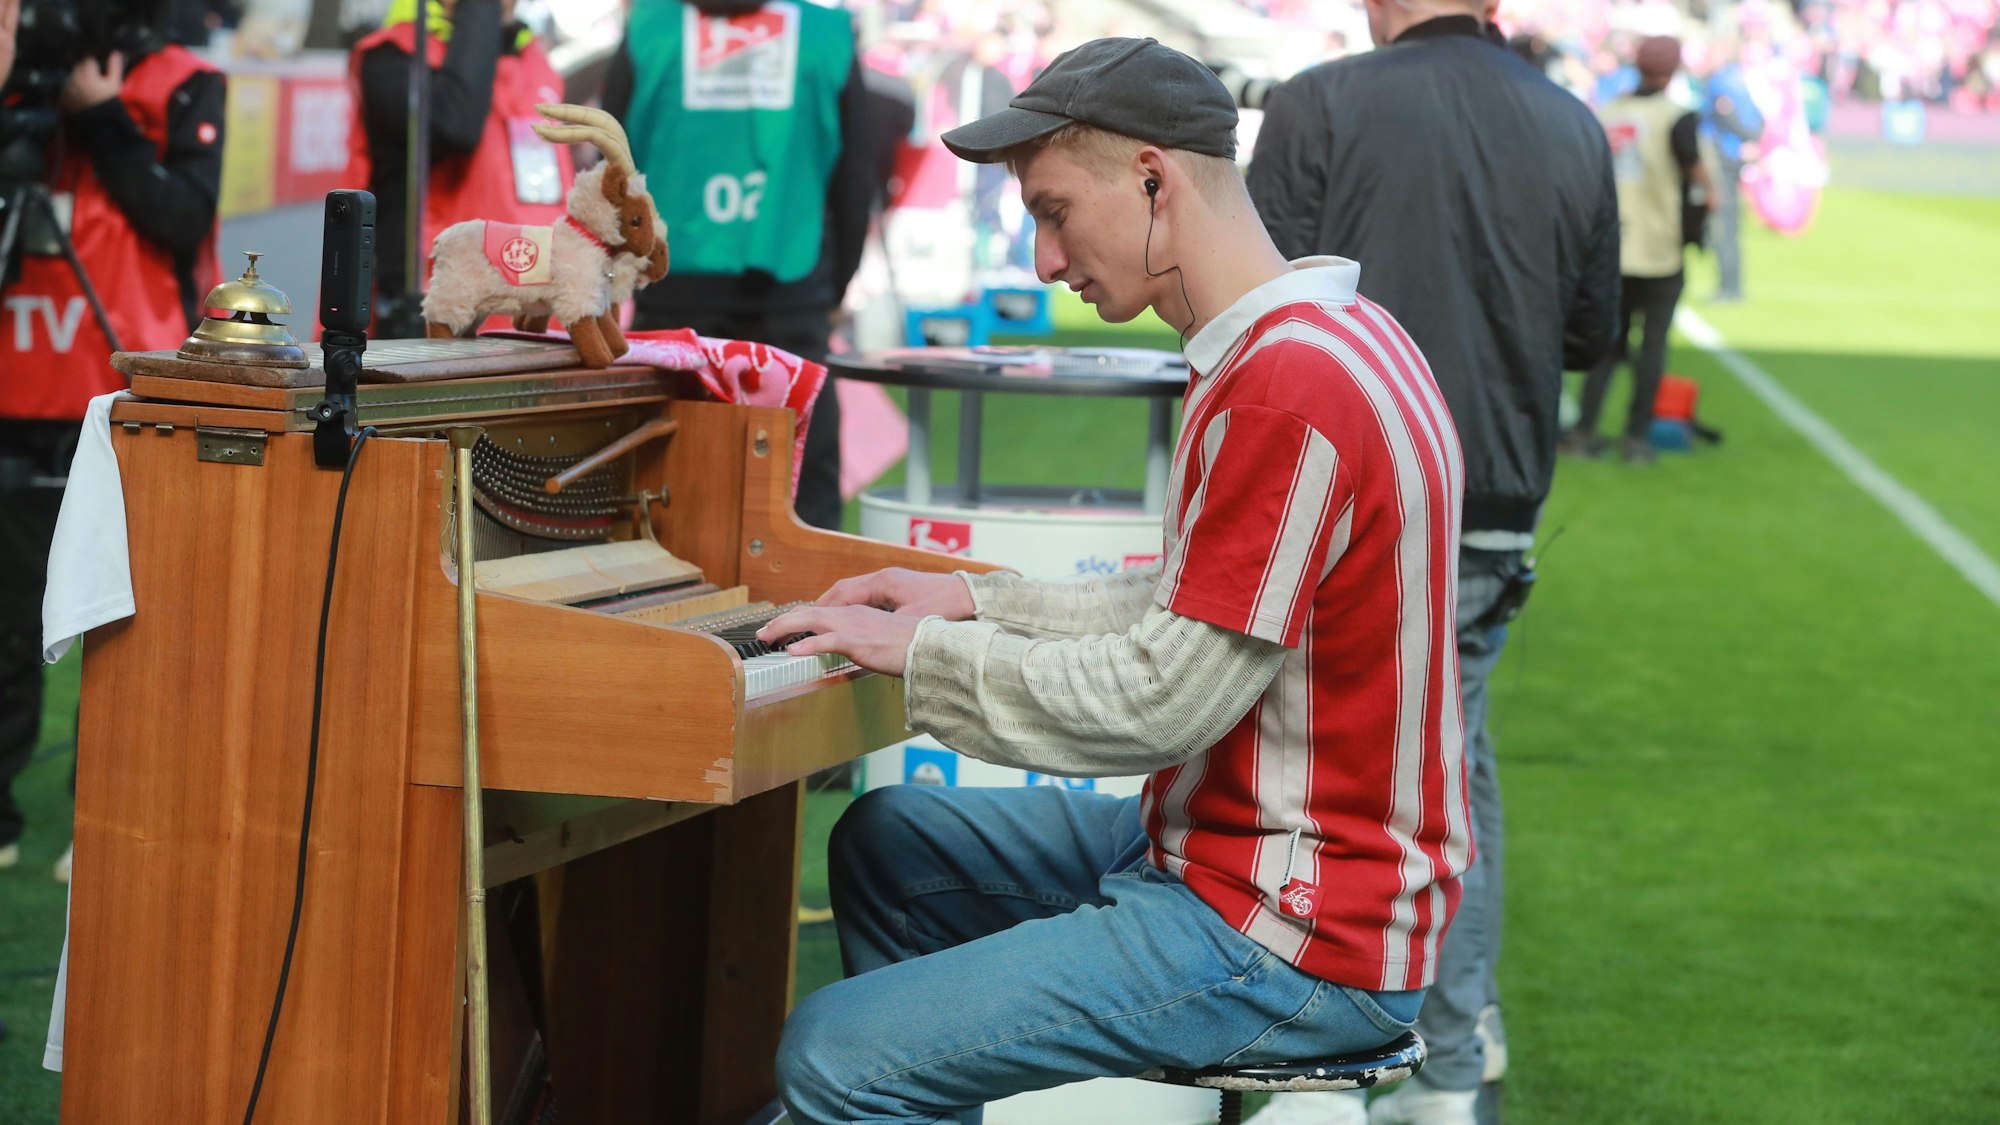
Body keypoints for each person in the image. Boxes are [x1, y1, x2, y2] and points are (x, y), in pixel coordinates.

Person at [750, 37, 1468, 1124]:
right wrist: (974, 600)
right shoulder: (1336, 333)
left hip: (1292, 927)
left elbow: (1158, 702)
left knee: (832, 1053)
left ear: (1151, 180)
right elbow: (1199, 598)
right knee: (893, 841)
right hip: (1263, 863)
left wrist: (926, 662)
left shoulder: (1285, 385)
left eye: (1054, 212)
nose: (1045, 261)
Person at [1244, 1, 1620, 1121]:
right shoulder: (1570, 119)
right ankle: (1443, 1055)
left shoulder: (1322, 100)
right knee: (1456, 760)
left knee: (1340, 775)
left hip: (1352, 488)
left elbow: (1254, 295)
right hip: (1493, 494)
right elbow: (1590, 332)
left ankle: (1376, 1061)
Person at [0, 35, 225, 882]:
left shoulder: (183, 80)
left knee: (125, 624)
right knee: (7, 622)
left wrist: (101, 120)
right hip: (16, 387)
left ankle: (106, 812)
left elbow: (184, 217)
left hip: (129, 393)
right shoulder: (16, 78)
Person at [603, 0, 873, 531]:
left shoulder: (649, 29)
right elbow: (856, 176)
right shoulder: (826, 33)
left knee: (668, 474)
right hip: (792, 280)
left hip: (673, 284)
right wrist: (835, 284)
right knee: (800, 483)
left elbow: (609, 161)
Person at [347, 0, 573, 336]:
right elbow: (456, 126)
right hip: (444, 320)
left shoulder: (532, 57)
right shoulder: (394, 56)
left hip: (539, 315)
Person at [1564, 36, 1708, 466]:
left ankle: (1584, 430)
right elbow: (1701, 184)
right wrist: (1697, 230)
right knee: (1653, 347)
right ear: (1675, 69)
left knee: (1608, 345)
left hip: (1611, 250)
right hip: (1658, 249)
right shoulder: (1676, 118)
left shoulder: (1609, 113)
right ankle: (1636, 439)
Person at [1701, 41, 1764, 303]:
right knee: (1730, 223)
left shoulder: (1720, 82)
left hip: (1722, 156)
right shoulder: (1739, 81)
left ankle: (1728, 287)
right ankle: (1731, 285)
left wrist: (1746, 138)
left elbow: (1726, 115)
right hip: (1734, 155)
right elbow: (1759, 117)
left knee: (1723, 224)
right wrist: (1752, 140)